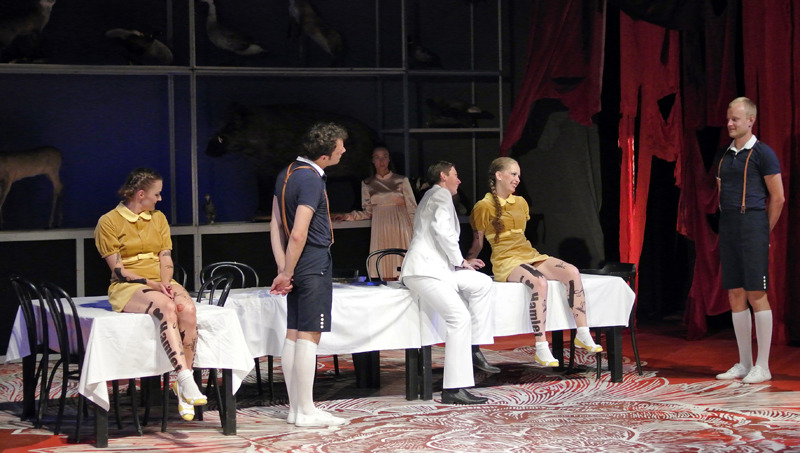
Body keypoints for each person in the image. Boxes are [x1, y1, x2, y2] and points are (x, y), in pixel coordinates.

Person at [467, 157, 602, 368]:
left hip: (528, 254)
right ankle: (541, 346)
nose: (517, 179)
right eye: (513, 174)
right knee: (539, 282)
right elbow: (478, 242)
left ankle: (582, 332)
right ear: (499, 175)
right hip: (506, 260)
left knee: (572, 272)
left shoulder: (520, 202)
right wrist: (467, 260)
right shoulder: (483, 206)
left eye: (519, 175)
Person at [94, 168, 206, 421]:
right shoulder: (109, 221)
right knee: (166, 307)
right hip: (129, 286)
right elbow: (118, 270)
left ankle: (183, 386)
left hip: (160, 282)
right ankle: (184, 377)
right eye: (157, 194)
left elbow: (165, 256)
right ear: (141, 194)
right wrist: (152, 284)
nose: (160, 198)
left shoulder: (158, 218)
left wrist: (165, 283)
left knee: (187, 308)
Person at [270, 122, 349, 427]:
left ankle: (296, 409)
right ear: (325, 155)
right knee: (308, 335)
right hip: (312, 261)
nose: (344, 150)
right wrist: (287, 270)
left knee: (294, 332)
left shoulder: (286, 172)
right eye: (340, 146)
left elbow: (276, 225)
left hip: (295, 263)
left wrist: (283, 269)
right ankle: (305, 410)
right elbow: (298, 233)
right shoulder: (311, 179)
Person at [400, 161, 497, 405]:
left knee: (482, 283)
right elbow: (442, 230)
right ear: (443, 176)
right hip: (425, 270)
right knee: (459, 318)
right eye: (455, 175)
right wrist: (460, 261)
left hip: (438, 268)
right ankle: (453, 389)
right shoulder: (440, 194)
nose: (459, 180)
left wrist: (461, 264)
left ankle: (474, 346)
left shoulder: (432, 195)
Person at [713, 97, 784, 384]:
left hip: (753, 224)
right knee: (735, 294)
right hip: (729, 225)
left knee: (756, 293)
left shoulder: (763, 153)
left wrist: (763, 231)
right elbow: (720, 188)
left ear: (751, 120)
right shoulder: (724, 154)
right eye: (729, 118)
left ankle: (763, 365)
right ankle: (744, 363)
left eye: (736, 119)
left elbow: (778, 197)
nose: (730, 123)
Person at [333, 145, 417, 279]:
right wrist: (347, 216)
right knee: (384, 268)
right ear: (372, 160)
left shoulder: (401, 180)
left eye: (384, 157)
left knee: (403, 265)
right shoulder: (368, 183)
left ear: (389, 159)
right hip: (381, 227)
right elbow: (368, 212)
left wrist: (416, 230)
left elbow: (412, 208)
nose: (381, 161)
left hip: (401, 226)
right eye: (377, 157)